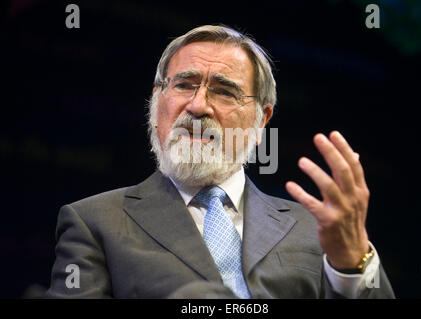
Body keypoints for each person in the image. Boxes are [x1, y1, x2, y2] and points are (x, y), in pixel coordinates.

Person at [45, 25, 395, 299]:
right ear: (156, 104)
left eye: (225, 91)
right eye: (184, 85)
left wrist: (354, 263)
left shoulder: (315, 230)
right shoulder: (94, 222)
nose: (198, 106)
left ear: (261, 121)